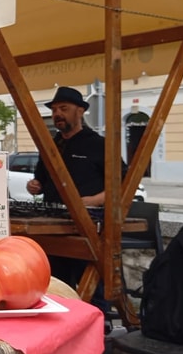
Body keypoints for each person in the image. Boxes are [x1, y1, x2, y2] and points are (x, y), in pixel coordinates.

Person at [26, 85, 127, 290]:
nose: (57, 114)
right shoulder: (50, 146)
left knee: (92, 288)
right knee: (56, 287)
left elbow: (124, 183)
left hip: (88, 227)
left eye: (63, 108)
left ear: (80, 111)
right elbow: (41, 181)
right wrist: (35, 186)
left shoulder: (99, 145)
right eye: (54, 110)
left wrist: (95, 200)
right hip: (53, 226)